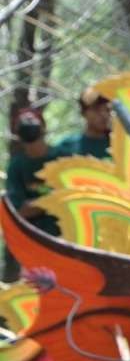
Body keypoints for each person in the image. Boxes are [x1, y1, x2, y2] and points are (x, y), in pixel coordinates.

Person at [3, 107, 60, 280]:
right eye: (22, 122)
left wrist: (38, 204)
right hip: (33, 242)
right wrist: (54, 200)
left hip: (65, 237)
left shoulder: (61, 158)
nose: (28, 125)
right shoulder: (17, 166)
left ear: (43, 126)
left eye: (32, 120)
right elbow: (21, 210)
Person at [54, 87, 112, 158]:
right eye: (96, 109)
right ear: (83, 113)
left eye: (108, 109)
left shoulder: (121, 145)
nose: (104, 115)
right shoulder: (67, 147)